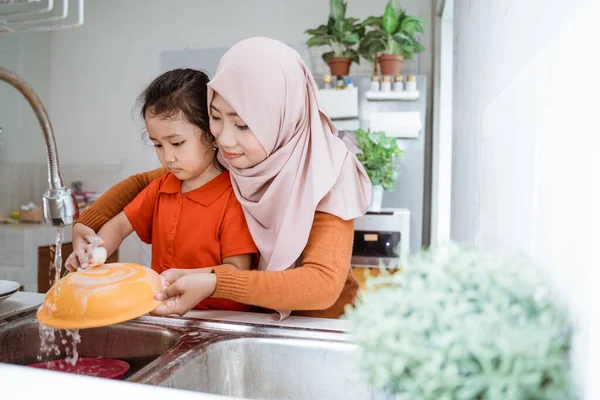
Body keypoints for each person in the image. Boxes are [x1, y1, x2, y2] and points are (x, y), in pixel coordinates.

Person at [72, 37, 372, 319]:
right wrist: (89, 223)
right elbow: (144, 185)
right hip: (256, 323)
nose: (225, 140)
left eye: (242, 124)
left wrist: (216, 281)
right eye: (216, 118)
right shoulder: (232, 157)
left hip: (323, 326)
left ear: (282, 117)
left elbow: (321, 284)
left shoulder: (328, 171)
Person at [64, 69, 257, 312]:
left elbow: (238, 270)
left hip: (222, 321)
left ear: (211, 135)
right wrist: (95, 251)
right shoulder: (162, 187)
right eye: (157, 144)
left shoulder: (233, 197)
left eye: (177, 143)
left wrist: (188, 278)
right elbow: (120, 225)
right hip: (166, 313)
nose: (168, 157)